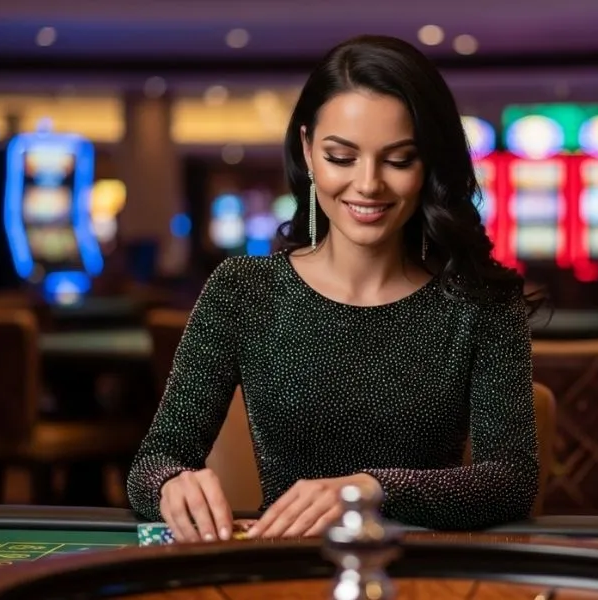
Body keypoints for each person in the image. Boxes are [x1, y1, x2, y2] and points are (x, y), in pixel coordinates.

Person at [127, 34, 540, 543]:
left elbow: (511, 481)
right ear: (307, 151)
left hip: (421, 572)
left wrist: (371, 489)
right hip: (283, 568)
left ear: (429, 162)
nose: (368, 184)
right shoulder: (243, 290)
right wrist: (170, 483)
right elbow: (155, 459)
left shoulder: (481, 303)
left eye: (398, 159)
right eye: (342, 157)